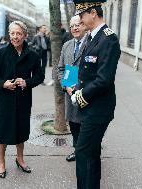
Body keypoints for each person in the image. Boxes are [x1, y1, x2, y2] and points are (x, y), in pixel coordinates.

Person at [71, 0, 121, 188]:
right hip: (91, 107)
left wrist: (80, 95)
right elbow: (86, 71)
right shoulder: (93, 37)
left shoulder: (108, 39)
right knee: (90, 153)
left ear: (93, 13)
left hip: (98, 108)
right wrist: (75, 88)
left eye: (82, 15)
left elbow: (104, 79)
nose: (80, 19)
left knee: (84, 153)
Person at [0, 21, 44, 179]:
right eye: (12, 33)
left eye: (19, 33)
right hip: (4, 99)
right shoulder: (1, 53)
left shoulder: (33, 55)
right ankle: (1, 161)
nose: (15, 37)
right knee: (2, 130)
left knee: (21, 129)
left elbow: (40, 76)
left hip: (23, 99)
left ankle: (20, 159)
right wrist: (3, 83)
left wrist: (26, 82)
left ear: (25, 35)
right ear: (9, 34)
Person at [57, 15, 88, 162]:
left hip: (87, 93)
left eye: (78, 24)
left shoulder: (92, 43)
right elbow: (61, 68)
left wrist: (82, 86)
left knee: (87, 125)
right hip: (70, 92)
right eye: (72, 26)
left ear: (84, 25)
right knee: (74, 125)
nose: (75, 28)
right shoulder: (67, 45)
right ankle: (77, 151)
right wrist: (66, 85)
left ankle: (87, 151)